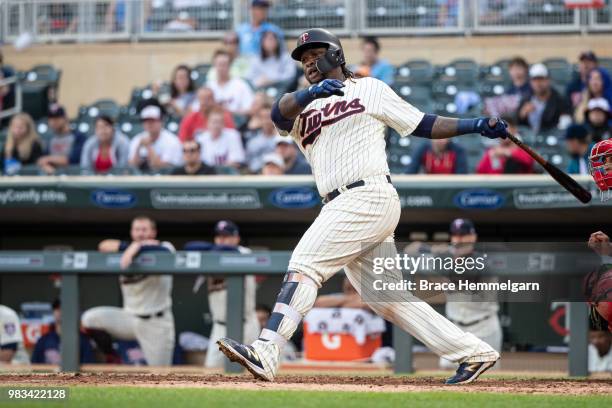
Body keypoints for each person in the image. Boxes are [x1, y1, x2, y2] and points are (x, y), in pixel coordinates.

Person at [217, 28, 505, 385]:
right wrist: (311, 92)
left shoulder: (370, 89)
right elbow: (278, 114)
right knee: (388, 298)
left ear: (336, 55)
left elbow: (422, 124)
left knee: (305, 263)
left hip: (367, 194)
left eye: (315, 56)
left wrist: (475, 124)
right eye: (304, 60)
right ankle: (473, 352)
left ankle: (268, 348)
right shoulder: (303, 106)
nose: (309, 63)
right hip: (341, 202)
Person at [81, 216, 176, 366]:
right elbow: (104, 245)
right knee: (89, 318)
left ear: (153, 232)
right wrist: (130, 247)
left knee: (161, 375)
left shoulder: (165, 246)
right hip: (129, 317)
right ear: (132, 232)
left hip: (156, 322)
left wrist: (137, 248)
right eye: (137, 229)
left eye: (144, 230)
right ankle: (112, 356)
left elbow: (166, 252)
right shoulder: (126, 249)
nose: (140, 233)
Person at [409, 219, 502, 370]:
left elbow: (468, 283)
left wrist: (446, 264)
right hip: (456, 327)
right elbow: (411, 249)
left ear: (473, 237)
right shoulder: (447, 257)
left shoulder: (483, 260)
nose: (459, 239)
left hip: (484, 326)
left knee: (488, 375)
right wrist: (433, 250)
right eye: (455, 235)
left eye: (463, 235)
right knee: (446, 370)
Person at [204, 220, 260, 368]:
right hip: (220, 327)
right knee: (211, 370)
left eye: (226, 236)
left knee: (255, 371)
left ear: (237, 238)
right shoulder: (210, 256)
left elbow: (232, 252)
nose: (222, 240)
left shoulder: (244, 253)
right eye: (219, 236)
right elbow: (190, 248)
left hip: (246, 325)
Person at [31, 299, 96, 365]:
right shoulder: (43, 340)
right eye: (57, 308)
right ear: (53, 312)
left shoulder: (83, 340)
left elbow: (89, 368)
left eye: (64, 308)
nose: (60, 311)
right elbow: (34, 367)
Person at [128, 101, 182, 172]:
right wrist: (138, 149)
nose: (149, 124)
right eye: (146, 120)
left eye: (152, 120)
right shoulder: (137, 139)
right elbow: (132, 166)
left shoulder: (171, 140)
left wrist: (148, 147)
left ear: (161, 121)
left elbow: (162, 169)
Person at [517, 63, 570, 134]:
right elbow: (517, 124)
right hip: (528, 141)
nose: (538, 83)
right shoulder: (525, 99)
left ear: (548, 80)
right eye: (535, 80)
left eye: (541, 79)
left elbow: (564, 126)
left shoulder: (560, 100)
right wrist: (522, 114)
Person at [37, 104, 87, 174]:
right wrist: (46, 165)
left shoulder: (78, 137)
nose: (53, 121)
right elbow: (42, 159)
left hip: (73, 177)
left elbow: (73, 160)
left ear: (65, 118)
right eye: (51, 118)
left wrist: (49, 159)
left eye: (57, 118)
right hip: (53, 178)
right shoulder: (50, 138)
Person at [207, 50, 255, 115]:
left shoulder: (241, 85)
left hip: (237, 122)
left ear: (230, 66)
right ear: (214, 65)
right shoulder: (209, 86)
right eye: (219, 64)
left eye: (224, 64)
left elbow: (250, 109)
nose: (221, 68)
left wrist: (231, 113)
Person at [246, 103, 279, 173]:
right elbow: (248, 163)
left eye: (269, 118)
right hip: (256, 175)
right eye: (264, 118)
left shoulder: (282, 139)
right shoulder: (252, 141)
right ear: (260, 120)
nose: (267, 121)